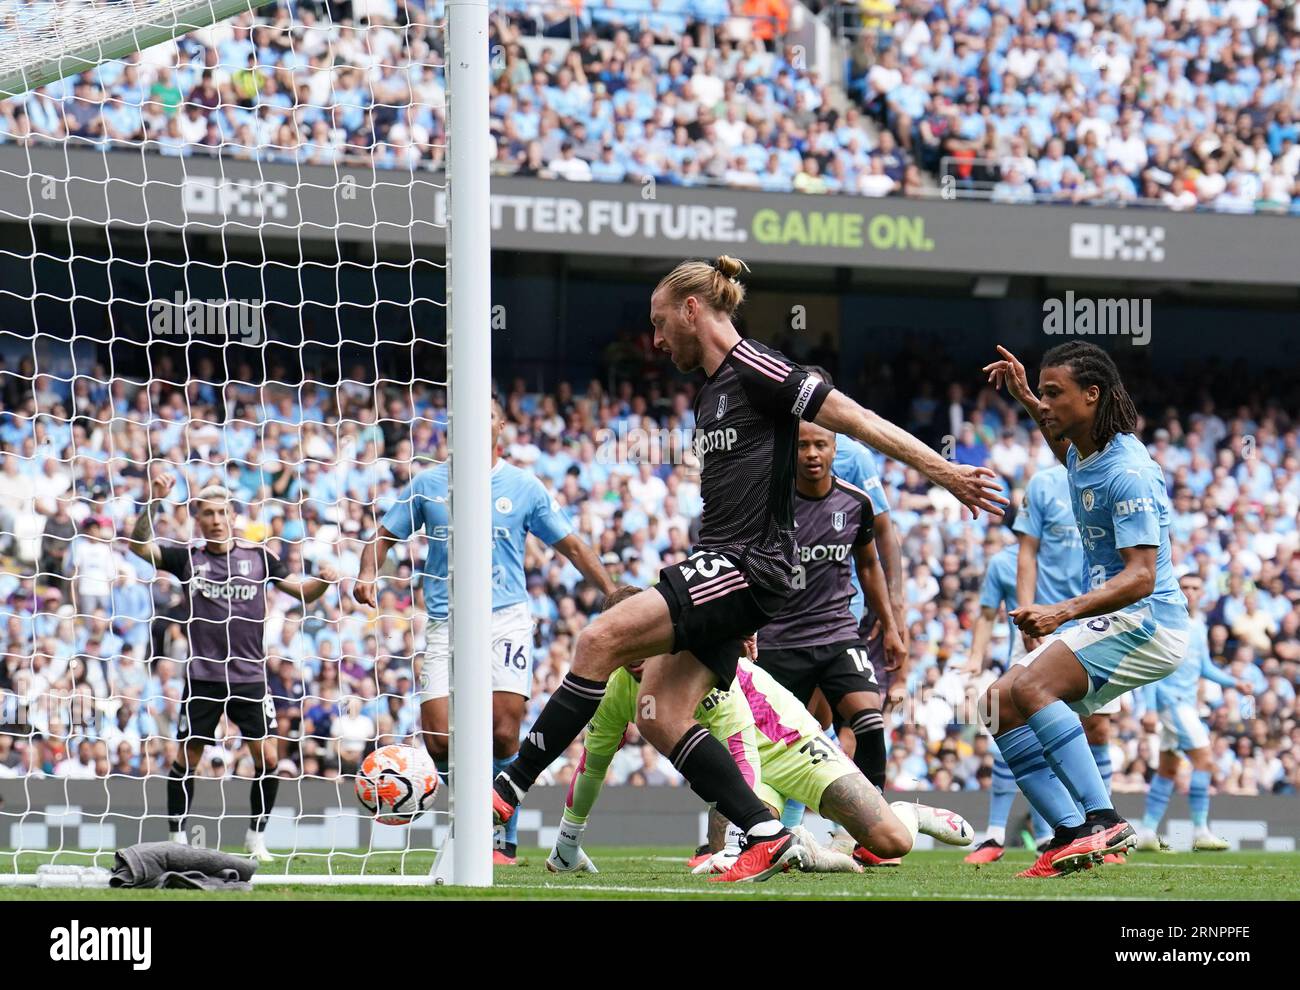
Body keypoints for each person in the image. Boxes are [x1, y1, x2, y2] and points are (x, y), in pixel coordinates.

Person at [494, 255, 1006, 883]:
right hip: (726, 574)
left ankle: (509, 786)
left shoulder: (757, 368)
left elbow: (862, 421)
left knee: (598, 639)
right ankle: (764, 832)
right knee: (660, 710)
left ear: (692, 310)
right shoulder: (710, 394)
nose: (654, 341)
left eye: (659, 324)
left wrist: (946, 472)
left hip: (750, 568)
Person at [546, 589, 972, 876]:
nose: (633, 649)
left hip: (790, 743)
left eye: (638, 633)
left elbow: (739, 737)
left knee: (890, 842)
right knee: (737, 858)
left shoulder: (696, 653)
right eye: (621, 639)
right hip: (739, 768)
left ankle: (907, 813)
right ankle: (805, 846)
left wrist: (739, 839)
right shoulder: (616, 689)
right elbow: (592, 766)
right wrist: (567, 841)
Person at [354, 401, 614, 864]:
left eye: (488, 414)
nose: (477, 421)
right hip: (444, 621)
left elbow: (571, 544)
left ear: (501, 427)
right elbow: (383, 535)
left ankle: (500, 839)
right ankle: (477, 818)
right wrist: (367, 573)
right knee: (437, 739)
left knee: (501, 734)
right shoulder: (429, 483)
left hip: (505, 617)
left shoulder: (522, 485)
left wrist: (612, 593)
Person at [981, 342, 1190, 878]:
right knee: (995, 704)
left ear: (1092, 396)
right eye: (1044, 393)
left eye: (1056, 394)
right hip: (1116, 617)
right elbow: (1059, 445)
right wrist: (1028, 397)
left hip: (1150, 623)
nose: (1046, 405)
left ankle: (1104, 820)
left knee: (1030, 689)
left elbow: (1142, 577)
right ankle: (1070, 835)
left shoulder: (1129, 473)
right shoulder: (1083, 451)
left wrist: (1062, 612)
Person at [128, 474, 336, 862]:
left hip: (250, 678)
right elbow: (139, 546)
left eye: (222, 512)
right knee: (186, 759)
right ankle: (177, 838)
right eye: (207, 513)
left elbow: (303, 592)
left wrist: (323, 582)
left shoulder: (258, 557)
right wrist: (153, 500)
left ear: (233, 516)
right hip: (203, 678)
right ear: (198, 519)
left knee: (269, 759)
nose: (216, 519)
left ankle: (256, 838)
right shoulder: (187, 558)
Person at [753, 419, 907, 862]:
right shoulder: (771, 503)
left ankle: (872, 832)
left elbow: (870, 566)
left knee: (870, 722)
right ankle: (767, 835)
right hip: (780, 642)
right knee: (774, 742)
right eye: (803, 446)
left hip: (839, 634)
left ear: (835, 448)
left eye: (821, 444)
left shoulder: (856, 503)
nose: (812, 454)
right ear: (792, 450)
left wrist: (892, 626)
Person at [1134, 573, 1254, 852]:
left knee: (1167, 769)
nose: (1189, 592)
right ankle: (1200, 830)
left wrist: (1235, 682)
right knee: (1205, 760)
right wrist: (1150, 708)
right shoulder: (1162, 622)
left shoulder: (1199, 627)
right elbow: (1152, 668)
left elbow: (1205, 669)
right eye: (1184, 587)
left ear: (1203, 594)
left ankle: (1148, 832)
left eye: (1195, 588)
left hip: (1187, 703)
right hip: (1171, 701)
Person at [963, 534, 1054, 861]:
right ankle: (996, 835)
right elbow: (987, 613)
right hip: (1025, 648)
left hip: (1072, 639)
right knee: (1010, 735)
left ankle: (1051, 835)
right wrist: (976, 656)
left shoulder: (1071, 549)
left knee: (1049, 746)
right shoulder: (1004, 562)